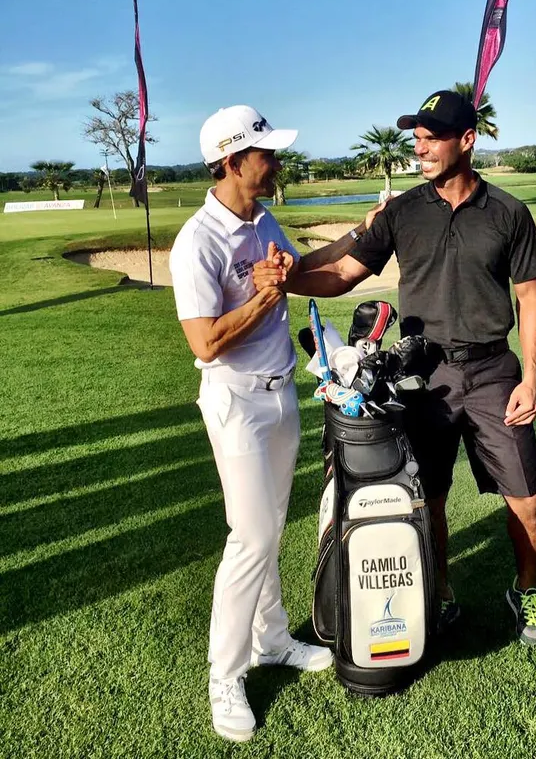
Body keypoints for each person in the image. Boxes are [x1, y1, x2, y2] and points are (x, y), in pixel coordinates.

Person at [252, 90, 536, 646]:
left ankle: (526, 588)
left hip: (493, 371)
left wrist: (530, 377)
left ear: (467, 141)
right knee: (428, 499)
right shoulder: (402, 211)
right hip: (423, 377)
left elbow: (529, 297)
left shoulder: (509, 212)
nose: (421, 148)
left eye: (432, 138)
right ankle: (441, 593)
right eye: (417, 139)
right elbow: (344, 273)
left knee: (528, 501)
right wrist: (287, 280)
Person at [169, 104, 385, 743]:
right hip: (235, 401)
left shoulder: (262, 220)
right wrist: (263, 295)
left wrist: (362, 233)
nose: (277, 161)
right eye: (267, 153)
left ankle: (270, 638)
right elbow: (204, 343)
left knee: (270, 528)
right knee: (251, 537)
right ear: (234, 161)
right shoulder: (197, 241)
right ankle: (225, 675)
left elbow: (307, 271)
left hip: (281, 393)